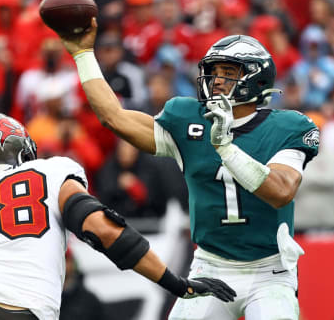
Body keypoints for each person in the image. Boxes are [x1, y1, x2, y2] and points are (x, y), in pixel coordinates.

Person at [57, 19, 319, 320]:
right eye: (214, 72)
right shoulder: (188, 120)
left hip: (270, 271)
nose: (217, 80)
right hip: (211, 265)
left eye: (229, 73)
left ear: (257, 80)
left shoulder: (288, 127)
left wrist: (226, 149)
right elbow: (114, 117)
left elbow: (281, 192)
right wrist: (83, 55)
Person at [0, 113, 235, 320]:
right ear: (19, 150)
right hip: (26, 312)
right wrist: (175, 283)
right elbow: (104, 231)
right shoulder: (50, 171)